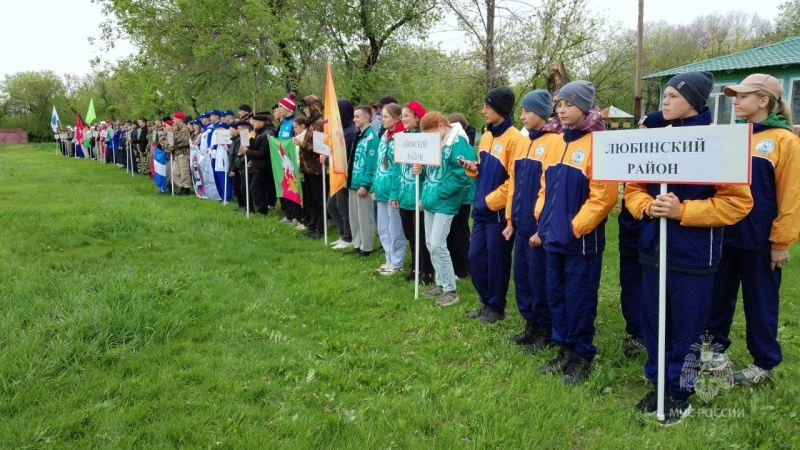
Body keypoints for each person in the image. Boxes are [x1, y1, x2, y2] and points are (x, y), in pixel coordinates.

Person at [624, 71, 753, 425]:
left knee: (687, 326)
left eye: (673, 96)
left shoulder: (718, 142)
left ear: (695, 101)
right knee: (653, 320)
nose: (664, 102)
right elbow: (633, 188)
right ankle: (658, 383)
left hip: (694, 255)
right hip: (654, 250)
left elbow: (737, 204)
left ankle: (681, 392)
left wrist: (684, 211)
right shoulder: (653, 139)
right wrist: (647, 207)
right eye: (663, 95)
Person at [706, 74, 800, 386]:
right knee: (718, 295)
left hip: (761, 239)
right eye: (734, 95)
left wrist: (781, 241)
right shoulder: (734, 137)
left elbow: (791, 196)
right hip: (725, 231)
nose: (736, 101)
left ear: (764, 101)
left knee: (761, 302)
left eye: (743, 96)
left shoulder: (785, 141)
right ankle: (714, 349)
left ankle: (764, 363)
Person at [533, 81, 617, 385]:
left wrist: (574, 228)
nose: (562, 109)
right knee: (556, 295)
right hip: (553, 237)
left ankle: (582, 356)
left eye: (568, 103)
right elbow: (545, 185)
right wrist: (542, 219)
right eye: (559, 104)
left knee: (578, 298)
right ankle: (563, 350)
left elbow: (604, 197)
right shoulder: (556, 141)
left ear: (585, 106)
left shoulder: (599, 143)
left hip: (581, 242)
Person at [502, 90, 562, 353]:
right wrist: (510, 219)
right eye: (522, 110)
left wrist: (542, 225)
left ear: (542, 112)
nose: (522, 115)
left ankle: (545, 328)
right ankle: (530, 325)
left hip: (538, 228)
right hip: (521, 224)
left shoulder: (554, 142)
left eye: (528, 111)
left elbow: (549, 190)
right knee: (523, 278)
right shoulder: (524, 142)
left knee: (540, 280)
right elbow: (514, 184)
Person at [461, 87, 523, 323]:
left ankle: (497, 307)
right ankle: (486, 302)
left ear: (500, 108)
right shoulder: (486, 136)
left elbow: (515, 182)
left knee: (496, 261)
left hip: (498, 214)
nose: (483, 110)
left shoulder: (516, 139)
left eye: (487, 106)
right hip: (481, 211)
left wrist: (490, 200)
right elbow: (484, 169)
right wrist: (473, 169)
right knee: (475, 258)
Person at [617, 111, 670, 360]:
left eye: (646, 129)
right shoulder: (634, 158)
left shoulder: (670, 162)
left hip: (653, 235)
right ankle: (635, 330)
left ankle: (652, 333)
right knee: (630, 284)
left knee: (652, 287)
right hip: (629, 232)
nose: (641, 134)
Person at [415, 111, 477, 306]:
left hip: (446, 201)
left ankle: (451, 289)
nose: (428, 138)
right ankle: (441, 283)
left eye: (430, 133)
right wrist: (421, 170)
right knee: (430, 243)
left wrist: (439, 193)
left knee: (438, 244)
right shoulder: (438, 142)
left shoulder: (458, 144)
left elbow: (462, 176)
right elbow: (432, 169)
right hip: (432, 199)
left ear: (441, 125)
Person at [396, 101, 434, 284]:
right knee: (410, 234)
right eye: (402, 115)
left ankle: (427, 270)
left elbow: (433, 169)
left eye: (407, 115)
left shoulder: (426, 138)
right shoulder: (401, 137)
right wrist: (395, 193)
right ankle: (415, 266)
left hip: (418, 196)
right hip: (404, 194)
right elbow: (398, 168)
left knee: (422, 235)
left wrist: (423, 170)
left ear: (418, 118)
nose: (403, 119)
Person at [372, 103, 407, 274]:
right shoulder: (384, 135)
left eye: (385, 117)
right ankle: (389, 259)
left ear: (396, 118)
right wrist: (374, 186)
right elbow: (378, 163)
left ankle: (397, 262)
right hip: (380, 189)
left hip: (393, 190)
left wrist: (395, 193)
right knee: (383, 228)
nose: (382, 119)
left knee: (395, 229)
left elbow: (399, 169)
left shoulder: (402, 137)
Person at [347, 105, 379, 256]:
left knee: (365, 216)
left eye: (357, 117)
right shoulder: (358, 136)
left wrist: (365, 184)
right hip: (353, 181)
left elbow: (371, 164)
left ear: (367, 118)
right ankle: (357, 244)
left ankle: (367, 247)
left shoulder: (372, 138)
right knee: (354, 216)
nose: (354, 119)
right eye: (354, 116)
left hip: (362, 184)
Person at [327, 99, 356, 249]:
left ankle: (348, 237)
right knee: (331, 206)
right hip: (335, 173)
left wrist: (329, 157)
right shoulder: (339, 131)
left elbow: (346, 155)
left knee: (343, 208)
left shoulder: (350, 132)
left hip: (344, 175)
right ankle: (343, 233)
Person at [298, 95, 325, 238]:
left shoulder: (319, 124)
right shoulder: (311, 124)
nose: (303, 109)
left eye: (306, 106)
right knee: (310, 200)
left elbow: (320, 148)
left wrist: (302, 144)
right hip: (308, 169)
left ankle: (320, 228)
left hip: (317, 170)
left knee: (318, 201)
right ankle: (312, 225)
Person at [243, 112, 278, 215]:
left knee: (255, 187)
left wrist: (248, 152)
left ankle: (262, 209)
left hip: (263, 166)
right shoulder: (259, 133)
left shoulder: (267, 133)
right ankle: (262, 209)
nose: (253, 123)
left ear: (261, 122)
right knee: (260, 188)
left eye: (255, 121)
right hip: (257, 164)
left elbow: (263, 153)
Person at [277, 93, 302, 225]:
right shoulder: (283, 123)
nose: (279, 109)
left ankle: (297, 216)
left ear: (287, 108)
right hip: (282, 159)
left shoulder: (294, 122)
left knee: (293, 188)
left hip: (292, 160)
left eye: (281, 107)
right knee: (285, 187)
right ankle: (289, 214)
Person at [167, 112, 192, 195]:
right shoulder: (178, 129)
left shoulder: (184, 129)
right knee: (174, 172)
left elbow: (185, 142)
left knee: (184, 172)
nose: (173, 120)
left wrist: (174, 146)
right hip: (177, 153)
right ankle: (181, 186)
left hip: (183, 153)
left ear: (179, 119)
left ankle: (186, 188)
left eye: (174, 118)